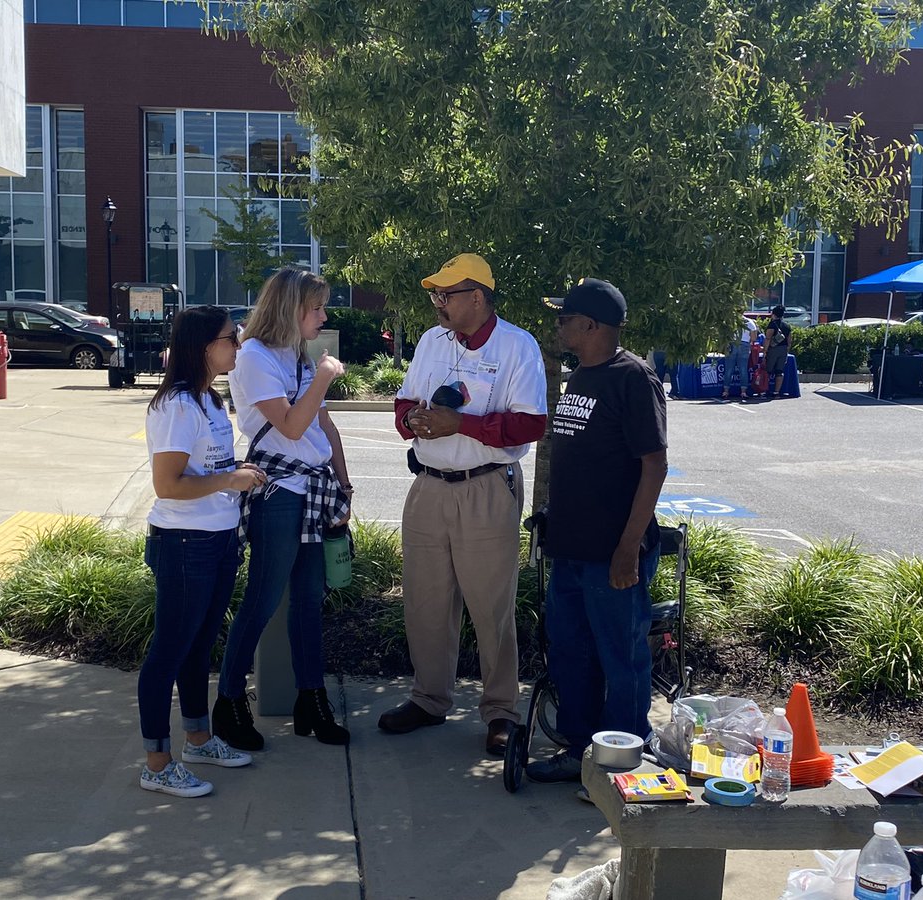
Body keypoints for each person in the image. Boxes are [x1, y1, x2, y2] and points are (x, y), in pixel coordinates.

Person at [378, 253, 547, 756]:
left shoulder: (518, 345)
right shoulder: (432, 342)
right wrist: (415, 423)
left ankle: (501, 711)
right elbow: (404, 404)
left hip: (487, 487)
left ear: (478, 297)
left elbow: (529, 425)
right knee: (426, 603)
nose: (438, 304)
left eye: (446, 295)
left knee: (491, 607)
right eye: (435, 295)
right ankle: (429, 699)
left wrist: (461, 425)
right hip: (428, 484)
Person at [526, 278, 668, 783]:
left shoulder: (633, 379)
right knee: (571, 653)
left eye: (565, 319)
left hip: (612, 553)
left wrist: (628, 548)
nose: (559, 325)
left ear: (591, 325)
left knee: (621, 658)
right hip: (570, 548)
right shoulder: (583, 375)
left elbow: (654, 465)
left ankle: (621, 765)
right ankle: (580, 751)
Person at [212, 268, 353, 752]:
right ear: (291, 308)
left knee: (309, 601)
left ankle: (311, 700)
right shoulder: (252, 357)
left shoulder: (293, 354)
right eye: (316, 307)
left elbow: (323, 426)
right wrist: (326, 375)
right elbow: (292, 427)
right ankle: (228, 702)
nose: (324, 315)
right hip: (278, 492)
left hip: (314, 490)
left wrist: (344, 485)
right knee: (264, 598)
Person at [138, 305, 263, 798]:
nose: (238, 346)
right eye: (232, 338)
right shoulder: (176, 407)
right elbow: (167, 485)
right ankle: (156, 762)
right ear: (204, 345)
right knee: (168, 652)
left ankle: (197, 738)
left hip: (217, 538)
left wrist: (237, 475)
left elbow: (207, 469)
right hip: (184, 543)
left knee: (197, 647)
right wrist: (230, 479)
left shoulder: (210, 401)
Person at [720, 316, 760, 401]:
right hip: (745, 345)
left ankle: (726, 391)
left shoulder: (730, 320)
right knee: (743, 369)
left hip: (732, 343)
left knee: (728, 369)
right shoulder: (749, 322)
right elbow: (754, 338)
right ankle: (743, 392)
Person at [763, 305, 792, 399]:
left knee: (767, 371)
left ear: (773, 314)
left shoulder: (772, 325)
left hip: (773, 349)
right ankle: (776, 392)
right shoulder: (787, 326)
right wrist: (787, 351)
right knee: (779, 371)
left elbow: (768, 338)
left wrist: (765, 351)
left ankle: (765, 390)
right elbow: (789, 341)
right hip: (783, 349)